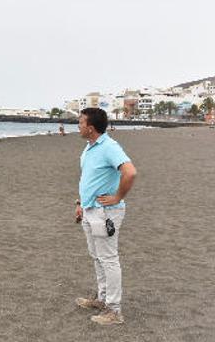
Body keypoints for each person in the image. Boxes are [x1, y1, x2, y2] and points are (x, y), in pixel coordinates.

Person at [74, 107, 138, 326]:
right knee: (97, 257)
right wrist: (81, 203)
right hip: (90, 210)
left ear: (91, 128)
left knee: (108, 259)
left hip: (105, 212)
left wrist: (117, 196)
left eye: (81, 122)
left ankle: (114, 310)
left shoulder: (110, 147)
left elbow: (130, 172)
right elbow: (89, 178)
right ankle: (102, 299)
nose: (78, 126)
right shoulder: (89, 147)